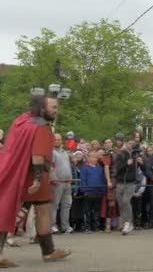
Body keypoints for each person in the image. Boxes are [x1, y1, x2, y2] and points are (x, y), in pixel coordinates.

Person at [0, 95, 71, 268]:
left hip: (22, 172)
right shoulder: (41, 128)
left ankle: (48, 251)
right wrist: (38, 179)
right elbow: (37, 155)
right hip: (34, 176)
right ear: (42, 109)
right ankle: (47, 251)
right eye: (53, 107)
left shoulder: (22, 121)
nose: (56, 110)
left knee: (41, 209)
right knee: (13, 212)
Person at [113, 139, 139, 235]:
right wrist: (126, 164)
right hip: (120, 182)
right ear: (126, 144)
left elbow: (141, 169)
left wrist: (140, 162)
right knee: (121, 204)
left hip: (130, 183)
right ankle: (125, 222)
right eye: (129, 143)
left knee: (126, 201)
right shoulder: (121, 155)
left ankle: (128, 223)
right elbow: (117, 168)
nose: (131, 145)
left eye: (133, 144)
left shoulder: (136, 155)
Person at [50, 133, 73, 234]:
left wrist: (71, 176)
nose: (57, 141)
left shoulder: (65, 152)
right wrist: (54, 179)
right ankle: (52, 225)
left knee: (67, 205)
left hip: (67, 182)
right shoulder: (51, 152)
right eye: (55, 139)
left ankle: (65, 226)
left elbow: (68, 165)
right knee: (54, 205)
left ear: (61, 141)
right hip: (57, 182)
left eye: (59, 139)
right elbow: (51, 167)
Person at [80, 151, 105, 233]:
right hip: (88, 192)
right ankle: (87, 227)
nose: (94, 159)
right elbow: (83, 180)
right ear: (88, 158)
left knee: (96, 210)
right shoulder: (85, 168)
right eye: (92, 157)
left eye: (95, 157)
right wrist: (84, 190)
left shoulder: (100, 168)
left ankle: (96, 226)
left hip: (98, 192)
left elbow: (102, 179)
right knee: (87, 210)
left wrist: (102, 190)